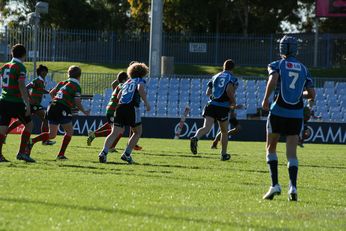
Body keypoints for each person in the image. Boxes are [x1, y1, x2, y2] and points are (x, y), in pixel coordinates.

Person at [261, 35, 315, 201]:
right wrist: (301, 94)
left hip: (278, 111)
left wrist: (265, 99)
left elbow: (273, 79)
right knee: (292, 153)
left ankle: (275, 184)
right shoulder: (304, 69)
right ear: (296, 48)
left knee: (271, 148)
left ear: (282, 48)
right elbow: (311, 94)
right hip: (296, 114)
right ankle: (293, 187)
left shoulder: (276, 64)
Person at [28, 66, 90, 160]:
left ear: (68, 74)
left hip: (52, 106)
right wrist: (84, 111)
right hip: (62, 108)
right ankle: (61, 154)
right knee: (69, 131)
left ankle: (31, 141)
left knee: (52, 134)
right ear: (79, 76)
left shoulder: (62, 83)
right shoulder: (76, 86)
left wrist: (56, 101)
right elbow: (77, 102)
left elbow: (52, 93)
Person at [98, 62, 150, 164]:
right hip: (131, 108)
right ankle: (126, 154)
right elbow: (140, 88)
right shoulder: (140, 80)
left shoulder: (127, 82)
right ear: (143, 72)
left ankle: (103, 153)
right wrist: (146, 102)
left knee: (114, 132)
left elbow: (118, 96)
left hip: (120, 107)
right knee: (137, 132)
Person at [0, 44, 44, 163]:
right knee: (29, 125)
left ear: (12, 53)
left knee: (3, 128)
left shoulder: (4, 66)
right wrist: (27, 103)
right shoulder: (20, 67)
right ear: (24, 55)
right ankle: (21, 153)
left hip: (3, 100)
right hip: (16, 102)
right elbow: (21, 86)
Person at [190, 59, 238, 161]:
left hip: (211, 105)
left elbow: (208, 92)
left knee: (206, 127)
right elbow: (229, 90)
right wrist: (233, 102)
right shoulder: (232, 78)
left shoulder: (215, 76)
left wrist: (216, 96)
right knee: (224, 131)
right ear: (233, 68)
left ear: (223, 67)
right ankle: (223, 154)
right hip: (222, 107)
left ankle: (195, 138)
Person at [87, 71, 143, 151]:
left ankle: (109, 145)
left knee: (118, 129)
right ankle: (97, 136)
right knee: (118, 131)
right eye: (127, 78)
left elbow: (114, 84)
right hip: (114, 109)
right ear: (124, 80)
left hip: (111, 109)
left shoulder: (120, 85)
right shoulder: (123, 86)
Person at [5, 64, 55, 145]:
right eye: (46, 71)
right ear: (42, 72)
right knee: (45, 119)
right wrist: (29, 97)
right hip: (34, 105)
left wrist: (48, 92)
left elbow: (39, 90)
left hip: (34, 104)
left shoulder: (41, 81)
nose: (46, 73)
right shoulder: (37, 80)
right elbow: (27, 87)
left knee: (20, 121)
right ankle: (44, 140)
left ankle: (5, 133)